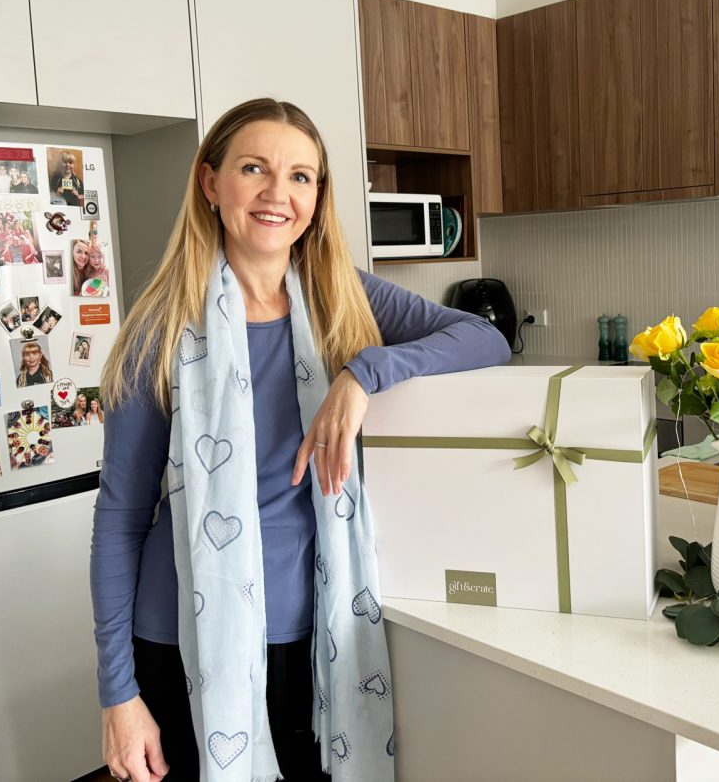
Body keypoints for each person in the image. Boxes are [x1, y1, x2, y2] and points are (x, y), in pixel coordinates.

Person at [91, 98, 510, 782]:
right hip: (182, 642)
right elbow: (120, 520)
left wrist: (363, 372)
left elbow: (485, 338)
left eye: (300, 177)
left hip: (317, 634)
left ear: (317, 198)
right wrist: (119, 693)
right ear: (210, 183)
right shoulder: (159, 332)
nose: (276, 194)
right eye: (253, 168)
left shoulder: (344, 297)